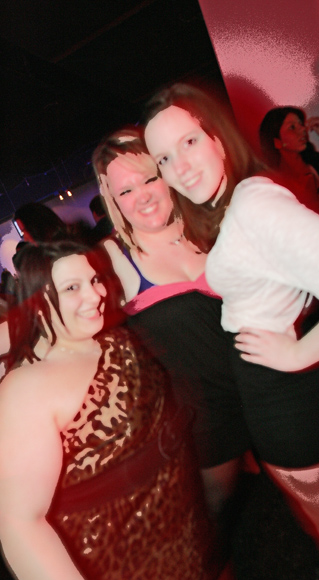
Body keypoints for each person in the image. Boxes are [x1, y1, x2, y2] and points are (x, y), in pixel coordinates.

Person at [143, 82, 319, 580]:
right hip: (279, 391)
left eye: (189, 142)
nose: (180, 167)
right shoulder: (239, 204)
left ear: (217, 138)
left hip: (285, 396)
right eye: (164, 159)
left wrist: (298, 352)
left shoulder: (254, 204)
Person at [0, 240, 234, 580]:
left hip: (189, 542)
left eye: (94, 280)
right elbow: (20, 523)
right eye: (72, 287)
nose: (95, 295)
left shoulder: (105, 335)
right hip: (123, 570)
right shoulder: (27, 389)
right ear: (38, 299)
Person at [92, 129, 255, 515]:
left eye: (150, 179)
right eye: (126, 191)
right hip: (204, 422)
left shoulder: (213, 224)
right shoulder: (110, 259)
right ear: (113, 200)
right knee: (213, 514)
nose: (143, 196)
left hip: (268, 387)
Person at [259, 106, 319, 214]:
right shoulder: (274, 185)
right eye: (292, 127)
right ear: (277, 142)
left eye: (301, 124)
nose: (303, 129)